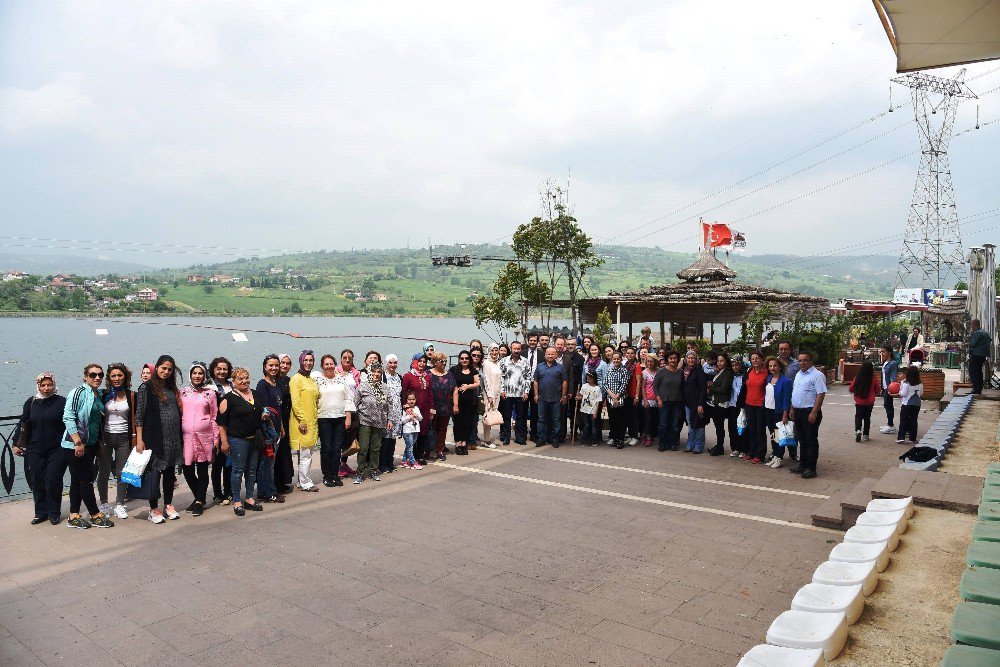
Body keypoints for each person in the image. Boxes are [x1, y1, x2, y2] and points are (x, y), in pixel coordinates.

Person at [61, 364, 114, 529]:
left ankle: (73, 515)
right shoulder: (77, 392)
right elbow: (68, 417)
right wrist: (77, 442)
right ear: (85, 376)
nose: (97, 378)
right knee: (86, 480)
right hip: (75, 445)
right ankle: (94, 514)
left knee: (77, 481)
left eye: (100, 375)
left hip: (89, 445)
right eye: (93, 375)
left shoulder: (97, 394)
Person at [135, 355, 183, 523]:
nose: (166, 372)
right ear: (157, 368)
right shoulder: (146, 388)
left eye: (170, 369)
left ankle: (168, 505)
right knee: (154, 474)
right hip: (154, 438)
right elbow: (139, 416)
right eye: (163, 368)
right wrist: (139, 440)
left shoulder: (171, 388)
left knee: (169, 474)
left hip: (173, 438)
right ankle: (153, 509)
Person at [16, 372, 67, 525]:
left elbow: (69, 423)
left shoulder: (61, 402)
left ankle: (54, 512)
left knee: (52, 480)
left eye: (49, 385)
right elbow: (23, 423)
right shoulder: (31, 402)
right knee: (37, 480)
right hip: (35, 448)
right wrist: (16, 444)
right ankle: (41, 512)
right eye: (43, 385)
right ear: (38, 386)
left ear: (54, 385)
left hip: (57, 448)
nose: (46, 388)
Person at [217, 367, 265, 515]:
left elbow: (259, 411)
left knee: (251, 471)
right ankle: (237, 500)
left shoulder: (255, 394)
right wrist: (224, 442)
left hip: (254, 439)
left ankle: (249, 498)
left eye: (246, 378)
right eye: (240, 379)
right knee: (237, 471)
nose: (244, 381)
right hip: (238, 440)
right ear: (234, 382)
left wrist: (264, 416)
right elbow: (221, 424)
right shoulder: (228, 398)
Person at [179, 362, 217, 517]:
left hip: (204, 437)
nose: (197, 376)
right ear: (190, 375)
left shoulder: (210, 394)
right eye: (194, 373)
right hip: (187, 438)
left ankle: (200, 501)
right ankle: (198, 496)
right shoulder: (183, 393)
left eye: (200, 373)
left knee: (202, 469)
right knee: (187, 469)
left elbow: (214, 417)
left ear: (205, 375)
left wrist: (216, 439)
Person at [97, 363, 135, 519]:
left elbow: (137, 417)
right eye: (113, 375)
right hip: (105, 437)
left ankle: (119, 504)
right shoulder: (103, 394)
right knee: (104, 472)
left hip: (123, 438)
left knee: (122, 473)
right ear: (109, 378)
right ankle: (104, 503)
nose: (117, 378)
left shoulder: (132, 395)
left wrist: (136, 438)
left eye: (120, 375)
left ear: (125, 376)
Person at [314, 354, 354, 488]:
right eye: (326, 364)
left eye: (331, 364)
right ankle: (327, 476)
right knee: (326, 448)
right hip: (323, 418)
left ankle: (335, 474)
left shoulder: (341, 380)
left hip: (339, 418)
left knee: (337, 449)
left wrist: (348, 417)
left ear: (335, 365)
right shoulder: (317, 380)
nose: (329, 366)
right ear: (322, 366)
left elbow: (348, 399)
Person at [789, 351, 826, 479]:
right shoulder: (799, 374)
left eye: (805, 360)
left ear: (811, 361)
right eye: (800, 360)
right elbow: (795, 393)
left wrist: (814, 412)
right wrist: (792, 409)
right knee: (801, 440)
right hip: (798, 411)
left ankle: (811, 468)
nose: (802, 363)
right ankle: (802, 465)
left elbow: (821, 394)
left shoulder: (817, 375)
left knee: (810, 441)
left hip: (809, 412)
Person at [289, 350, 320, 492]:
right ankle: (305, 482)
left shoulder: (310, 379)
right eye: (305, 360)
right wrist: (302, 419)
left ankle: (302, 480)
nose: (308, 363)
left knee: (307, 453)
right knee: (305, 454)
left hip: (313, 420)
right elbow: (295, 401)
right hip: (302, 422)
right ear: (301, 361)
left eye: (311, 360)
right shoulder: (296, 379)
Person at [256, 354, 286, 501]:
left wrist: (281, 428)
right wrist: (273, 429)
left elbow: (277, 408)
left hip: (276, 429)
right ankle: (269, 492)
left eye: (276, 365)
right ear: (264, 367)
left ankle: (265, 491)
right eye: (271, 365)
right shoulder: (262, 385)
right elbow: (265, 410)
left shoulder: (276, 383)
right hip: (268, 430)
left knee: (270, 462)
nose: (274, 368)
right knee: (267, 462)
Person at [354, 363, 391, 483]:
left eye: (379, 372)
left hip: (379, 423)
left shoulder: (385, 387)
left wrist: (389, 420)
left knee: (375, 448)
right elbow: (355, 404)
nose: (376, 374)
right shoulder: (363, 386)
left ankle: (374, 470)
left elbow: (389, 405)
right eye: (374, 372)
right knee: (363, 448)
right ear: (370, 373)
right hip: (365, 422)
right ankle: (360, 472)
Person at [208, 357, 233, 505]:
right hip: (215, 429)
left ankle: (229, 491)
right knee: (217, 464)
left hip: (231, 429)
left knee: (229, 463)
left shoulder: (232, 385)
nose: (222, 371)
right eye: (219, 369)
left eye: (225, 369)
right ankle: (217, 493)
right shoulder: (209, 386)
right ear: (213, 370)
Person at [534, 346, 569, 448]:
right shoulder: (540, 366)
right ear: (545, 355)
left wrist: (563, 395)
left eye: (552, 354)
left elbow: (565, 381)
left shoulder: (560, 367)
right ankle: (541, 439)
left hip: (556, 399)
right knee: (541, 420)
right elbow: (535, 381)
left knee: (556, 420)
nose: (550, 356)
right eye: (548, 354)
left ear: (555, 355)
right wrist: (536, 394)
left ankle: (555, 439)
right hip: (542, 398)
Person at [402, 355, 434, 465]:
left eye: (424, 361)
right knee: (412, 433)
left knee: (423, 433)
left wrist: (431, 409)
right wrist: (405, 406)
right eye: (419, 361)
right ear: (414, 362)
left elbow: (430, 394)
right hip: (412, 409)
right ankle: (410, 457)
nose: (422, 363)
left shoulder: (427, 376)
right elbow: (403, 393)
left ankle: (419, 455)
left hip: (425, 409)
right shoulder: (408, 376)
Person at [498, 341, 531, 446]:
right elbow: (501, 377)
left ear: (520, 349)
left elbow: (528, 377)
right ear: (510, 349)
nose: (516, 351)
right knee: (506, 416)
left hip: (521, 394)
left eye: (518, 349)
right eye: (514, 349)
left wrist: (526, 392)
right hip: (507, 394)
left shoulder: (525, 361)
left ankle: (519, 437)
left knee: (520, 417)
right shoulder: (504, 361)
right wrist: (502, 390)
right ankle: (506, 437)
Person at [428, 352, 458, 460]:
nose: (444, 363)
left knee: (442, 429)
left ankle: (440, 450)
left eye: (445, 361)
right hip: (432, 406)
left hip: (446, 406)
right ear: (435, 362)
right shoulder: (428, 374)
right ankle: (427, 449)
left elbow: (455, 390)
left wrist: (455, 405)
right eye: (442, 361)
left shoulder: (449, 374)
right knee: (431, 428)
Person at [764, 357, 793, 468]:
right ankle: (775, 456)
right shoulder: (769, 378)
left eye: (775, 365)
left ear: (780, 367)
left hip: (779, 412)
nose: (772, 368)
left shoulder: (786, 381)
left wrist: (785, 414)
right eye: (770, 366)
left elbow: (787, 399)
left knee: (779, 435)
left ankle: (780, 458)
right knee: (773, 435)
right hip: (768, 410)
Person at [653, 350, 684, 452]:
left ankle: (673, 443)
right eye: (670, 358)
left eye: (675, 358)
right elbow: (655, 386)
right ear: (667, 360)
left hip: (677, 402)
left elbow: (683, 387)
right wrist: (658, 398)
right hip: (664, 402)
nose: (673, 360)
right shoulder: (661, 372)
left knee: (674, 424)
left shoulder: (681, 372)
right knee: (663, 424)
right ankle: (662, 443)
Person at [450, 350, 480, 455]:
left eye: (466, 358)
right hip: (457, 401)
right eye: (462, 358)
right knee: (457, 424)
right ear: (459, 359)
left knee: (467, 423)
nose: (464, 360)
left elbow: (478, 383)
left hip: (470, 402)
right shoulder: (454, 370)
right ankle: (458, 444)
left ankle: (464, 444)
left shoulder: (473, 370)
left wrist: (468, 386)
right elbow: (449, 381)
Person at [274, 353, 295, 494]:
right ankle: (275, 483)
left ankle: (283, 481)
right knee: (275, 453)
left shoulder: (289, 380)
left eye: (288, 363)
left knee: (284, 452)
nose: (285, 365)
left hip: (287, 421)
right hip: (275, 422)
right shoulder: (271, 381)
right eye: (282, 363)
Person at [680, 350, 708, 454]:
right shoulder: (684, 371)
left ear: (696, 359)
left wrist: (701, 404)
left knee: (699, 425)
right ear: (686, 359)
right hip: (687, 404)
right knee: (691, 425)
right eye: (689, 358)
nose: (691, 360)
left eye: (693, 358)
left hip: (697, 404)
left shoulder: (699, 371)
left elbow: (703, 389)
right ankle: (690, 444)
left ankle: (699, 446)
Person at [601, 351, 629, 448]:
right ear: (612, 360)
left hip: (621, 398)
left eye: (618, 359)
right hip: (610, 398)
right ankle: (615, 438)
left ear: (621, 359)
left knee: (620, 420)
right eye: (614, 359)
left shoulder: (624, 371)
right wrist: (612, 395)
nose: (616, 360)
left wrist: (617, 396)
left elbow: (624, 385)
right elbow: (605, 383)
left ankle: (620, 439)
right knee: (612, 420)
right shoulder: (609, 370)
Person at [706, 353, 732, 457]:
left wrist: (711, 388)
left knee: (719, 426)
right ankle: (718, 445)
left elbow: (723, 389)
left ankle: (720, 448)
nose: (719, 363)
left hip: (722, 403)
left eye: (722, 361)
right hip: (716, 402)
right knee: (717, 426)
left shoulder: (727, 373)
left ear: (726, 362)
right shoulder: (720, 372)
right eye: (718, 361)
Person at [849, 360, 881, 444]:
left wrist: (853, 391)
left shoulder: (858, 377)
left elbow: (851, 387)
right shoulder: (873, 378)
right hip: (869, 402)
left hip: (859, 401)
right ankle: (866, 434)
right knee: (867, 417)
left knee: (858, 416)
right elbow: (878, 389)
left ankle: (858, 430)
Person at [381, 354, 403, 471]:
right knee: (385, 439)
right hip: (386, 413)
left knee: (392, 439)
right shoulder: (383, 376)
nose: (393, 365)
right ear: (386, 363)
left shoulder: (399, 377)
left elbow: (401, 395)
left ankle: (390, 462)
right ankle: (383, 464)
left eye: (395, 363)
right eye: (390, 363)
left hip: (397, 412)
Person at [561, 338, 585, 444]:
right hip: (562, 389)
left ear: (576, 345)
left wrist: (580, 391)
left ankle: (574, 432)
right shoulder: (562, 357)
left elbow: (581, 375)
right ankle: (562, 433)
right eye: (569, 344)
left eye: (573, 344)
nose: (570, 346)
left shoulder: (580, 358)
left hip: (576, 388)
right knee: (562, 412)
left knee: (574, 412)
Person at [480, 344, 502, 446]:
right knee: (487, 416)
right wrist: (490, 395)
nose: (494, 353)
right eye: (492, 350)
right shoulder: (486, 363)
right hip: (489, 395)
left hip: (497, 394)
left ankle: (487, 438)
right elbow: (487, 380)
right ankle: (487, 440)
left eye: (496, 350)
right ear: (489, 351)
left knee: (492, 416)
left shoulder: (498, 363)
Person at [896, 366, 923, 445]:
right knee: (914, 420)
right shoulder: (920, 383)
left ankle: (901, 438)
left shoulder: (906, 383)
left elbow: (903, 394)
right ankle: (912, 438)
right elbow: (921, 393)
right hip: (917, 404)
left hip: (906, 404)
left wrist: (899, 392)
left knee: (903, 420)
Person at [878, 346, 900, 435]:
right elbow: (883, 376)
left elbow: (893, 376)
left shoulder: (893, 363)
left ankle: (891, 426)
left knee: (888, 405)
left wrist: (891, 387)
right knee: (887, 405)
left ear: (889, 352)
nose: (882, 354)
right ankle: (889, 424)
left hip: (889, 388)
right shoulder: (885, 362)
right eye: (881, 352)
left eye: (883, 352)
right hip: (885, 387)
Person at [728, 357, 747, 457]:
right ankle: (735, 448)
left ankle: (744, 449)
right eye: (733, 365)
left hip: (742, 405)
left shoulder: (745, 375)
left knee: (743, 426)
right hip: (731, 404)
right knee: (733, 427)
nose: (735, 367)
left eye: (737, 365)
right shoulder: (730, 375)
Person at [399, 392, 423, 469]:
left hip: (415, 430)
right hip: (407, 431)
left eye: (413, 399)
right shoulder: (405, 409)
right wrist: (409, 417)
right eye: (409, 399)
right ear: (406, 400)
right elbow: (402, 421)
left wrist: (416, 415)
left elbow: (421, 418)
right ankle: (413, 462)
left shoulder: (416, 408)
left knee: (409, 446)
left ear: (415, 400)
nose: (411, 401)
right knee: (410, 447)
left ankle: (404, 460)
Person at [639, 356, 659, 447]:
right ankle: (647, 437)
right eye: (648, 362)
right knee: (648, 419)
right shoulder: (644, 372)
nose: (650, 363)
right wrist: (645, 400)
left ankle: (647, 434)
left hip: (657, 399)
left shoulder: (659, 371)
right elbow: (642, 387)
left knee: (654, 419)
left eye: (651, 361)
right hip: (648, 399)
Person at [577, 371, 602, 445]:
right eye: (587, 379)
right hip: (584, 409)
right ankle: (585, 440)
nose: (588, 380)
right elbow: (581, 396)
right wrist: (578, 397)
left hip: (592, 410)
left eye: (590, 379)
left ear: (594, 379)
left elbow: (598, 401)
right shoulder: (584, 386)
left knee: (594, 427)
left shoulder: (597, 388)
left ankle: (594, 440)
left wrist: (596, 412)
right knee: (586, 425)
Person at [968, 318, 991, 394]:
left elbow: (972, 343)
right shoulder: (984, 332)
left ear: (974, 325)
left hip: (976, 354)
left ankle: (975, 388)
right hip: (983, 355)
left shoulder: (976, 333)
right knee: (978, 371)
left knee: (973, 371)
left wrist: (967, 344)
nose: (971, 326)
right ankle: (978, 388)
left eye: (971, 325)